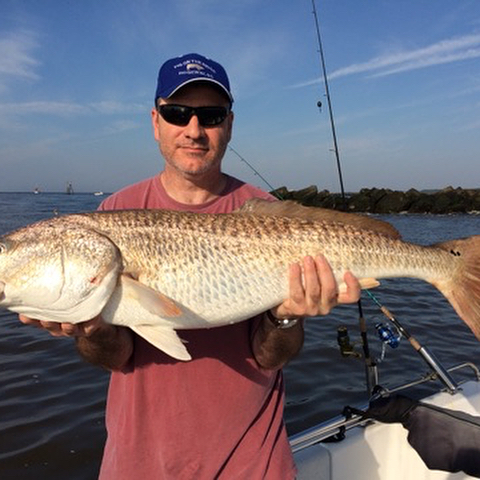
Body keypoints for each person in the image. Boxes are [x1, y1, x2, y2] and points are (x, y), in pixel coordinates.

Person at [19, 53, 361, 479]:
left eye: (211, 115)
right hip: (138, 466)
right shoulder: (115, 211)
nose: (194, 130)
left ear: (230, 124)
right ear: (155, 121)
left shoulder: (270, 214)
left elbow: (270, 358)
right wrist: (93, 329)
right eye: (177, 113)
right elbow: (118, 356)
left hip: (253, 465)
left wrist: (286, 319)